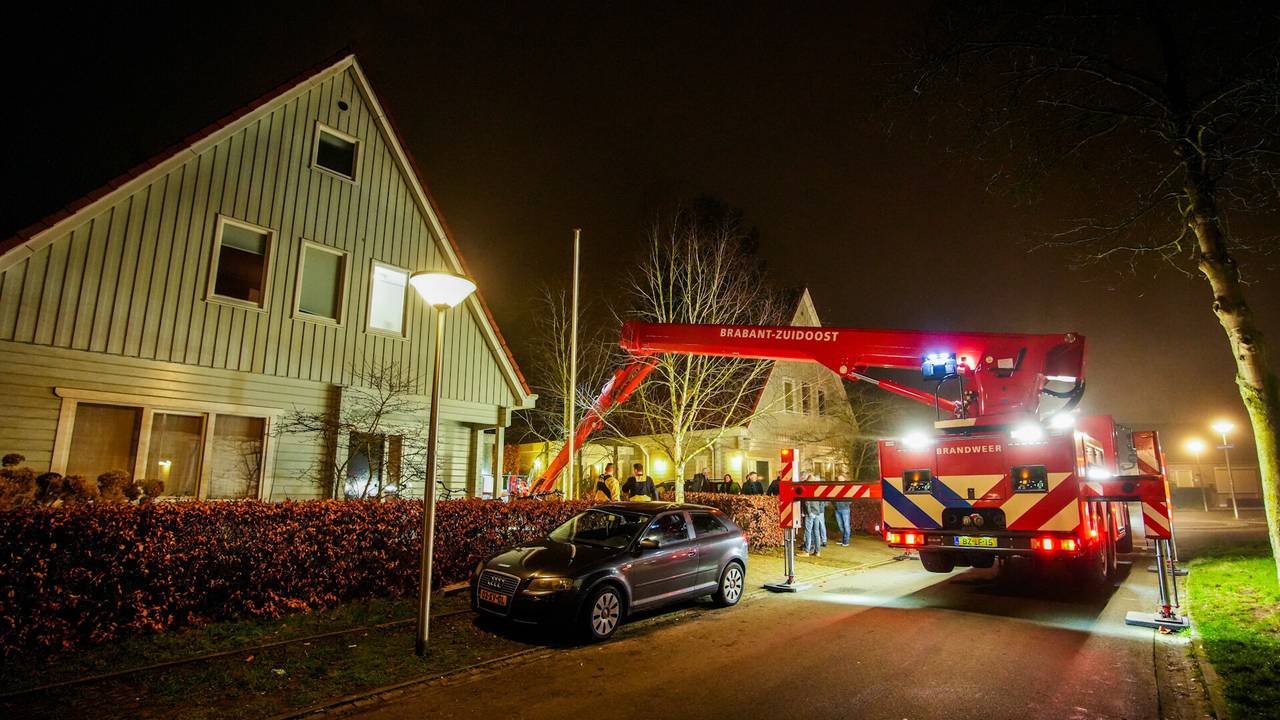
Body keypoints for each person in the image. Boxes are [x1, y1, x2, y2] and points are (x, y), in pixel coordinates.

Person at [833, 473, 853, 546]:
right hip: (837, 509)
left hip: (845, 509)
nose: (840, 480)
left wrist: (846, 504)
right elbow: (832, 497)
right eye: (838, 479)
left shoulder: (847, 487)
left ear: (844, 479)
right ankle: (843, 539)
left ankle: (846, 541)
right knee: (840, 526)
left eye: (841, 479)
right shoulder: (836, 487)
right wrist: (834, 505)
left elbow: (851, 499)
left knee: (846, 525)